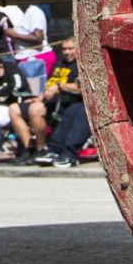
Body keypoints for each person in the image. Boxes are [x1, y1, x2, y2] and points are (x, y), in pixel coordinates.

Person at [33, 34, 88, 168]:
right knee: (71, 112)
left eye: (71, 48)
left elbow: (82, 87)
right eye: (64, 49)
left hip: (79, 101)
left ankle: (70, 155)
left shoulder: (82, 65)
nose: (67, 52)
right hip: (59, 102)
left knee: (79, 112)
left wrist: (60, 86)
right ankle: (53, 151)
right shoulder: (59, 63)